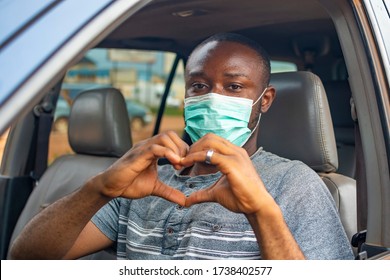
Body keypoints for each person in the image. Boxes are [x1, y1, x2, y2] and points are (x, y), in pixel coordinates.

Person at [10, 33, 354, 260]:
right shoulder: (144, 182)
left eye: (233, 87)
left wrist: (261, 213)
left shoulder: (294, 183)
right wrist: (99, 188)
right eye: (200, 85)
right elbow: (26, 259)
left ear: (264, 101)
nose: (213, 98)